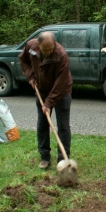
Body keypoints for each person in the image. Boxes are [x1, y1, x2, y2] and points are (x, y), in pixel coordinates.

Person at [19, 31, 73, 169]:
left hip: (62, 92)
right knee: (42, 124)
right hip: (42, 91)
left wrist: (49, 103)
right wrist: (30, 77)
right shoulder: (31, 47)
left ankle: (63, 161)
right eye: (45, 49)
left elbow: (61, 83)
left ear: (54, 44)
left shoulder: (61, 55)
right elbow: (23, 60)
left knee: (63, 127)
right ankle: (45, 157)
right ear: (38, 44)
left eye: (51, 49)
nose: (48, 52)